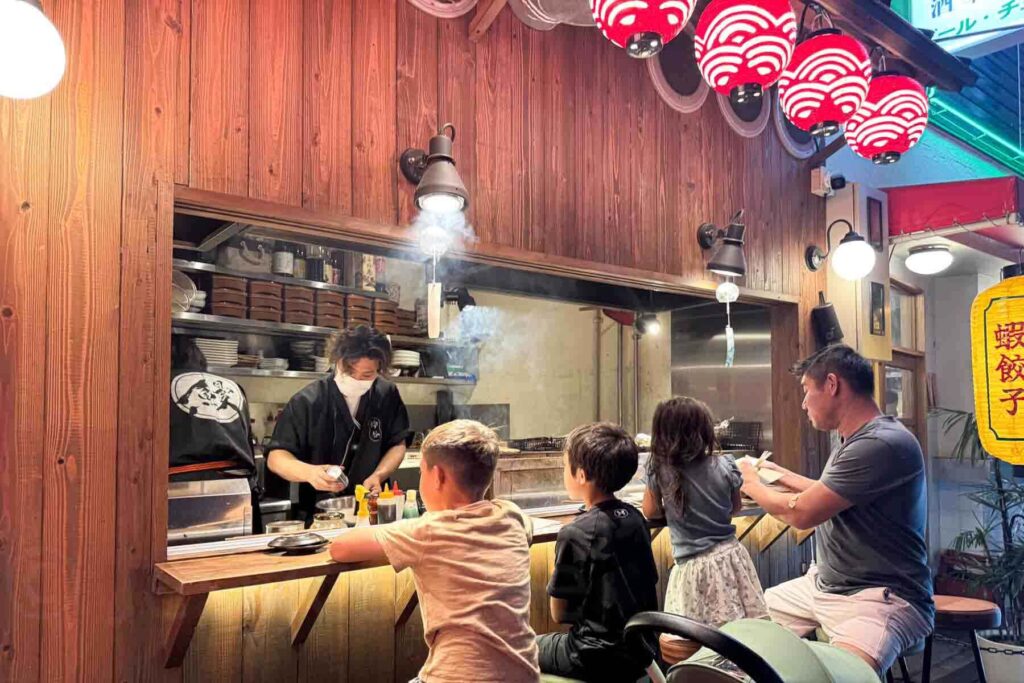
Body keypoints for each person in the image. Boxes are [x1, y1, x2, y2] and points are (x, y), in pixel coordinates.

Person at [738, 345, 933, 677]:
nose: (803, 404)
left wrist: (751, 483)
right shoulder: (856, 439)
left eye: (806, 391)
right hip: (822, 587)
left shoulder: (880, 443)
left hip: (880, 598)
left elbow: (803, 514)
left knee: (841, 676)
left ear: (831, 384)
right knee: (738, 640)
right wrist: (779, 474)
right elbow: (826, 492)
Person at [329, 420, 540, 683]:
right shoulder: (511, 515)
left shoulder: (427, 530)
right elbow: (525, 531)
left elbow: (340, 547)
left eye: (421, 472)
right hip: (525, 674)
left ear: (438, 476)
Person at [642, 397, 767, 663]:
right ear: (705, 430)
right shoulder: (725, 464)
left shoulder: (658, 470)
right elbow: (734, 507)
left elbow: (650, 512)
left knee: (692, 644)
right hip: (732, 558)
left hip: (693, 568)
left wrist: (674, 512)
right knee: (737, 639)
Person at [539, 423, 659, 682]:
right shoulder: (636, 518)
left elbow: (560, 615)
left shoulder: (576, 532)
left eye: (564, 467)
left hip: (593, 655)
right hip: (640, 650)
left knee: (525, 647)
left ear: (580, 475)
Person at [267, 325, 411, 521]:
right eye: (349, 371)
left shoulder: (386, 394)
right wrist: (310, 473)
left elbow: (397, 444)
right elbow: (276, 457)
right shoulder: (309, 400)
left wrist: (379, 474)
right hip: (320, 513)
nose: (356, 379)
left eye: (367, 375)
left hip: (373, 508)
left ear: (379, 369)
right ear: (337, 361)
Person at [169, 336, 261, 532]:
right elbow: (247, 443)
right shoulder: (233, 387)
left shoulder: (156, 384)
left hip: (176, 490)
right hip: (236, 489)